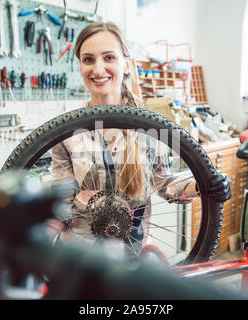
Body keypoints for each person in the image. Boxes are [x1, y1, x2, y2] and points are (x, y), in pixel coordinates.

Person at [47, 21, 231, 256]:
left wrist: (204, 185)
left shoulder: (151, 126)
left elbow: (164, 183)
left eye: (109, 57)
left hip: (130, 254)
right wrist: (30, 243)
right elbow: (62, 202)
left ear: (126, 64)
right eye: (88, 59)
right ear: (81, 66)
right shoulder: (66, 131)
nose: (98, 69)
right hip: (78, 257)